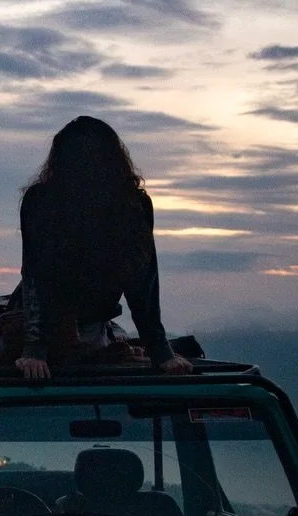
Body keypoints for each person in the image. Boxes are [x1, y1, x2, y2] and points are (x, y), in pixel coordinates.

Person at [14, 114, 192, 381]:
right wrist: (35, 350)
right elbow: (36, 277)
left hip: (89, 327)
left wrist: (161, 351)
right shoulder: (42, 202)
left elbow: (143, 281)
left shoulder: (133, 206)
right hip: (38, 322)